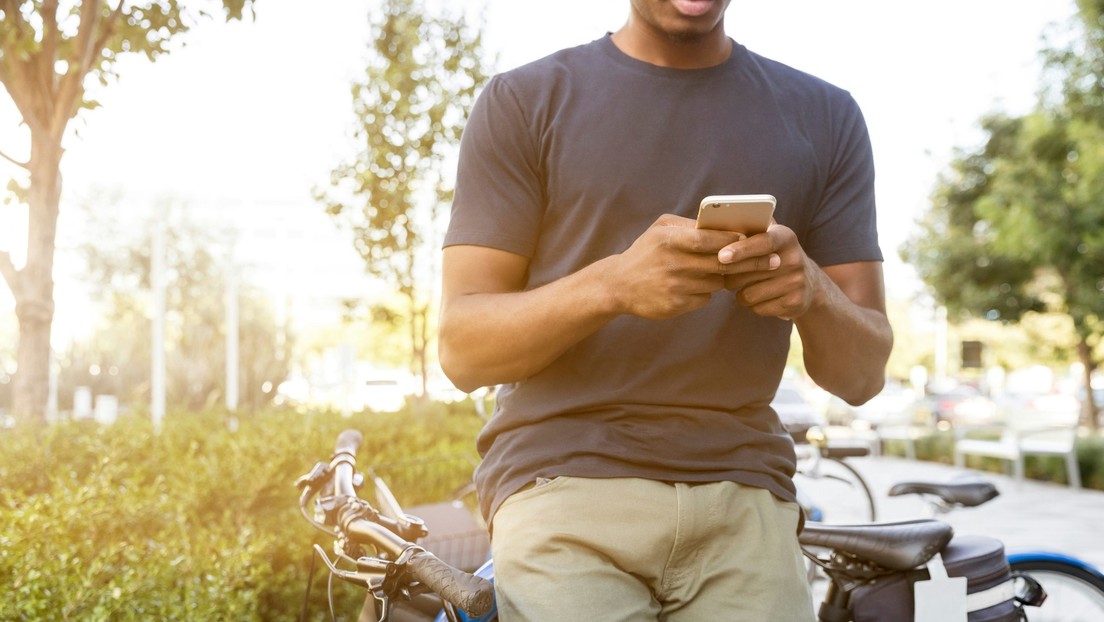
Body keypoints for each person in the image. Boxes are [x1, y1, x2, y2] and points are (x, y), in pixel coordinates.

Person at [438, 0, 893, 619]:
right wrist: (613, 287)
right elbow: (462, 349)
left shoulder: (826, 116)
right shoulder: (523, 101)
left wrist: (811, 291)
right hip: (565, 485)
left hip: (746, 497)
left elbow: (862, 377)